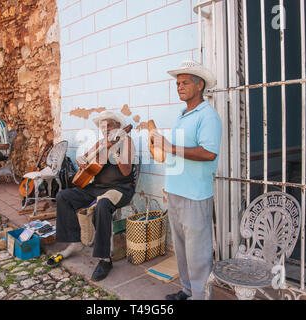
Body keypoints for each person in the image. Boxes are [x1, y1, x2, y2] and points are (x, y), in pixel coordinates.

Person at [149, 60, 222, 300]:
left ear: (199, 85)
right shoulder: (183, 115)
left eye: (185, 82)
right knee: (181, 250)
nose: (179, 86)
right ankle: (187, 291)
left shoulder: (208, 116)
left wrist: (169, 147)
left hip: (196, 195)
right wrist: (168, 183)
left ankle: (200, 296)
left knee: (198, 254)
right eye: (178, 83)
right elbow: (176, 153)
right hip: (176, 191)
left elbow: (208, 153)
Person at [48, 111, 136, 282]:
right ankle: (74, 242)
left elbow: (126, 171)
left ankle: (105, 259)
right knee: (63, 196)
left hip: (120, 188)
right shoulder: (100, 143)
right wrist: (81, 160)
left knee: (103, 205)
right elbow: (85, 159)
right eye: (103, 126)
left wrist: (115, 150)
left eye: (109, 125)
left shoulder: (126, 141)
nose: (106, 129)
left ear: (118, 126)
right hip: (96, 187)